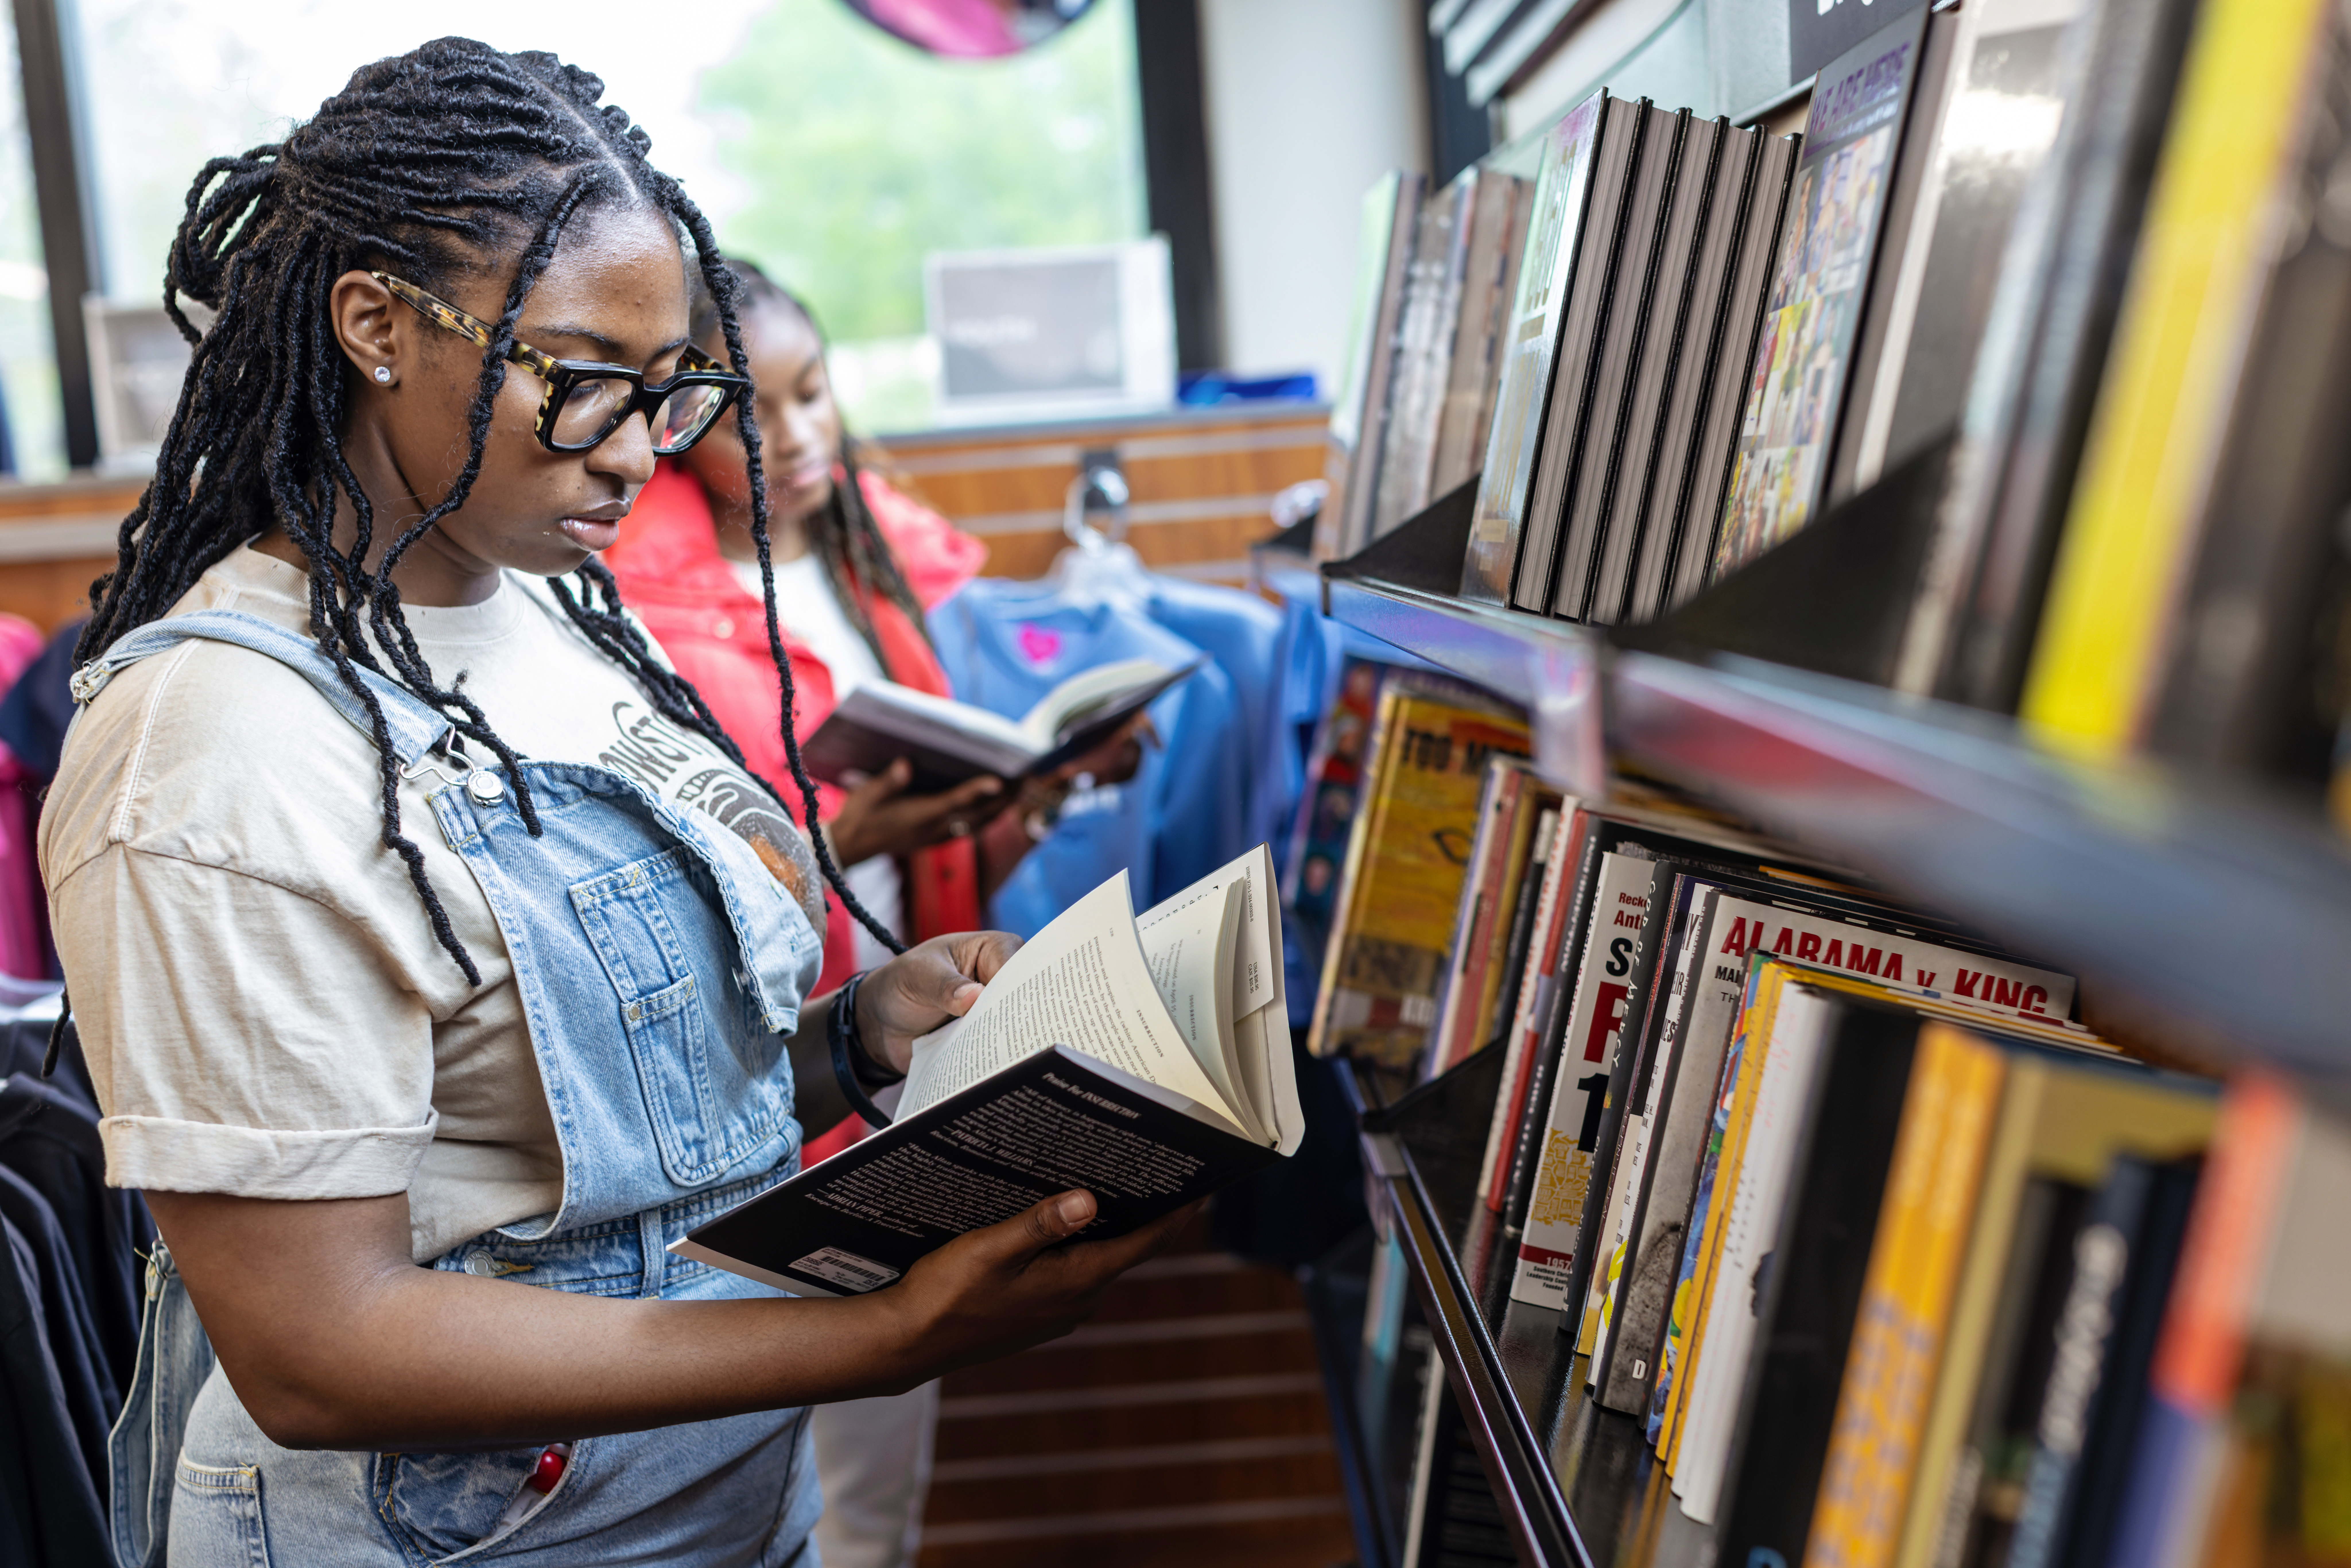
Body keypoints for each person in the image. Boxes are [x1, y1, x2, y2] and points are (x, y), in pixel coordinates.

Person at [39, 39, 1186, 1567]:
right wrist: (876, 1335)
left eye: (670, 392)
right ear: (374, 322)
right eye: (585, 383)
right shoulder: (217, 744)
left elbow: (606, 1117)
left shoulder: (568, 612)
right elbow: (318, 1348)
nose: (648, 454)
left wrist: (860, 1033)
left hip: (719, 1513)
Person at [605, 259, 1145, 1568]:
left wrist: (1038, 791)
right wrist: (847, 838)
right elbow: (662, 877)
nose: (792, 436)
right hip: (764, 1064)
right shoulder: (638, 597)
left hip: (909, 1056)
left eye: (810, 394)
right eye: (748, 410)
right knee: (775, 1465)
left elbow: (953, 871)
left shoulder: (867, 559)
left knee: (878, 1480)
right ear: (675, 419)